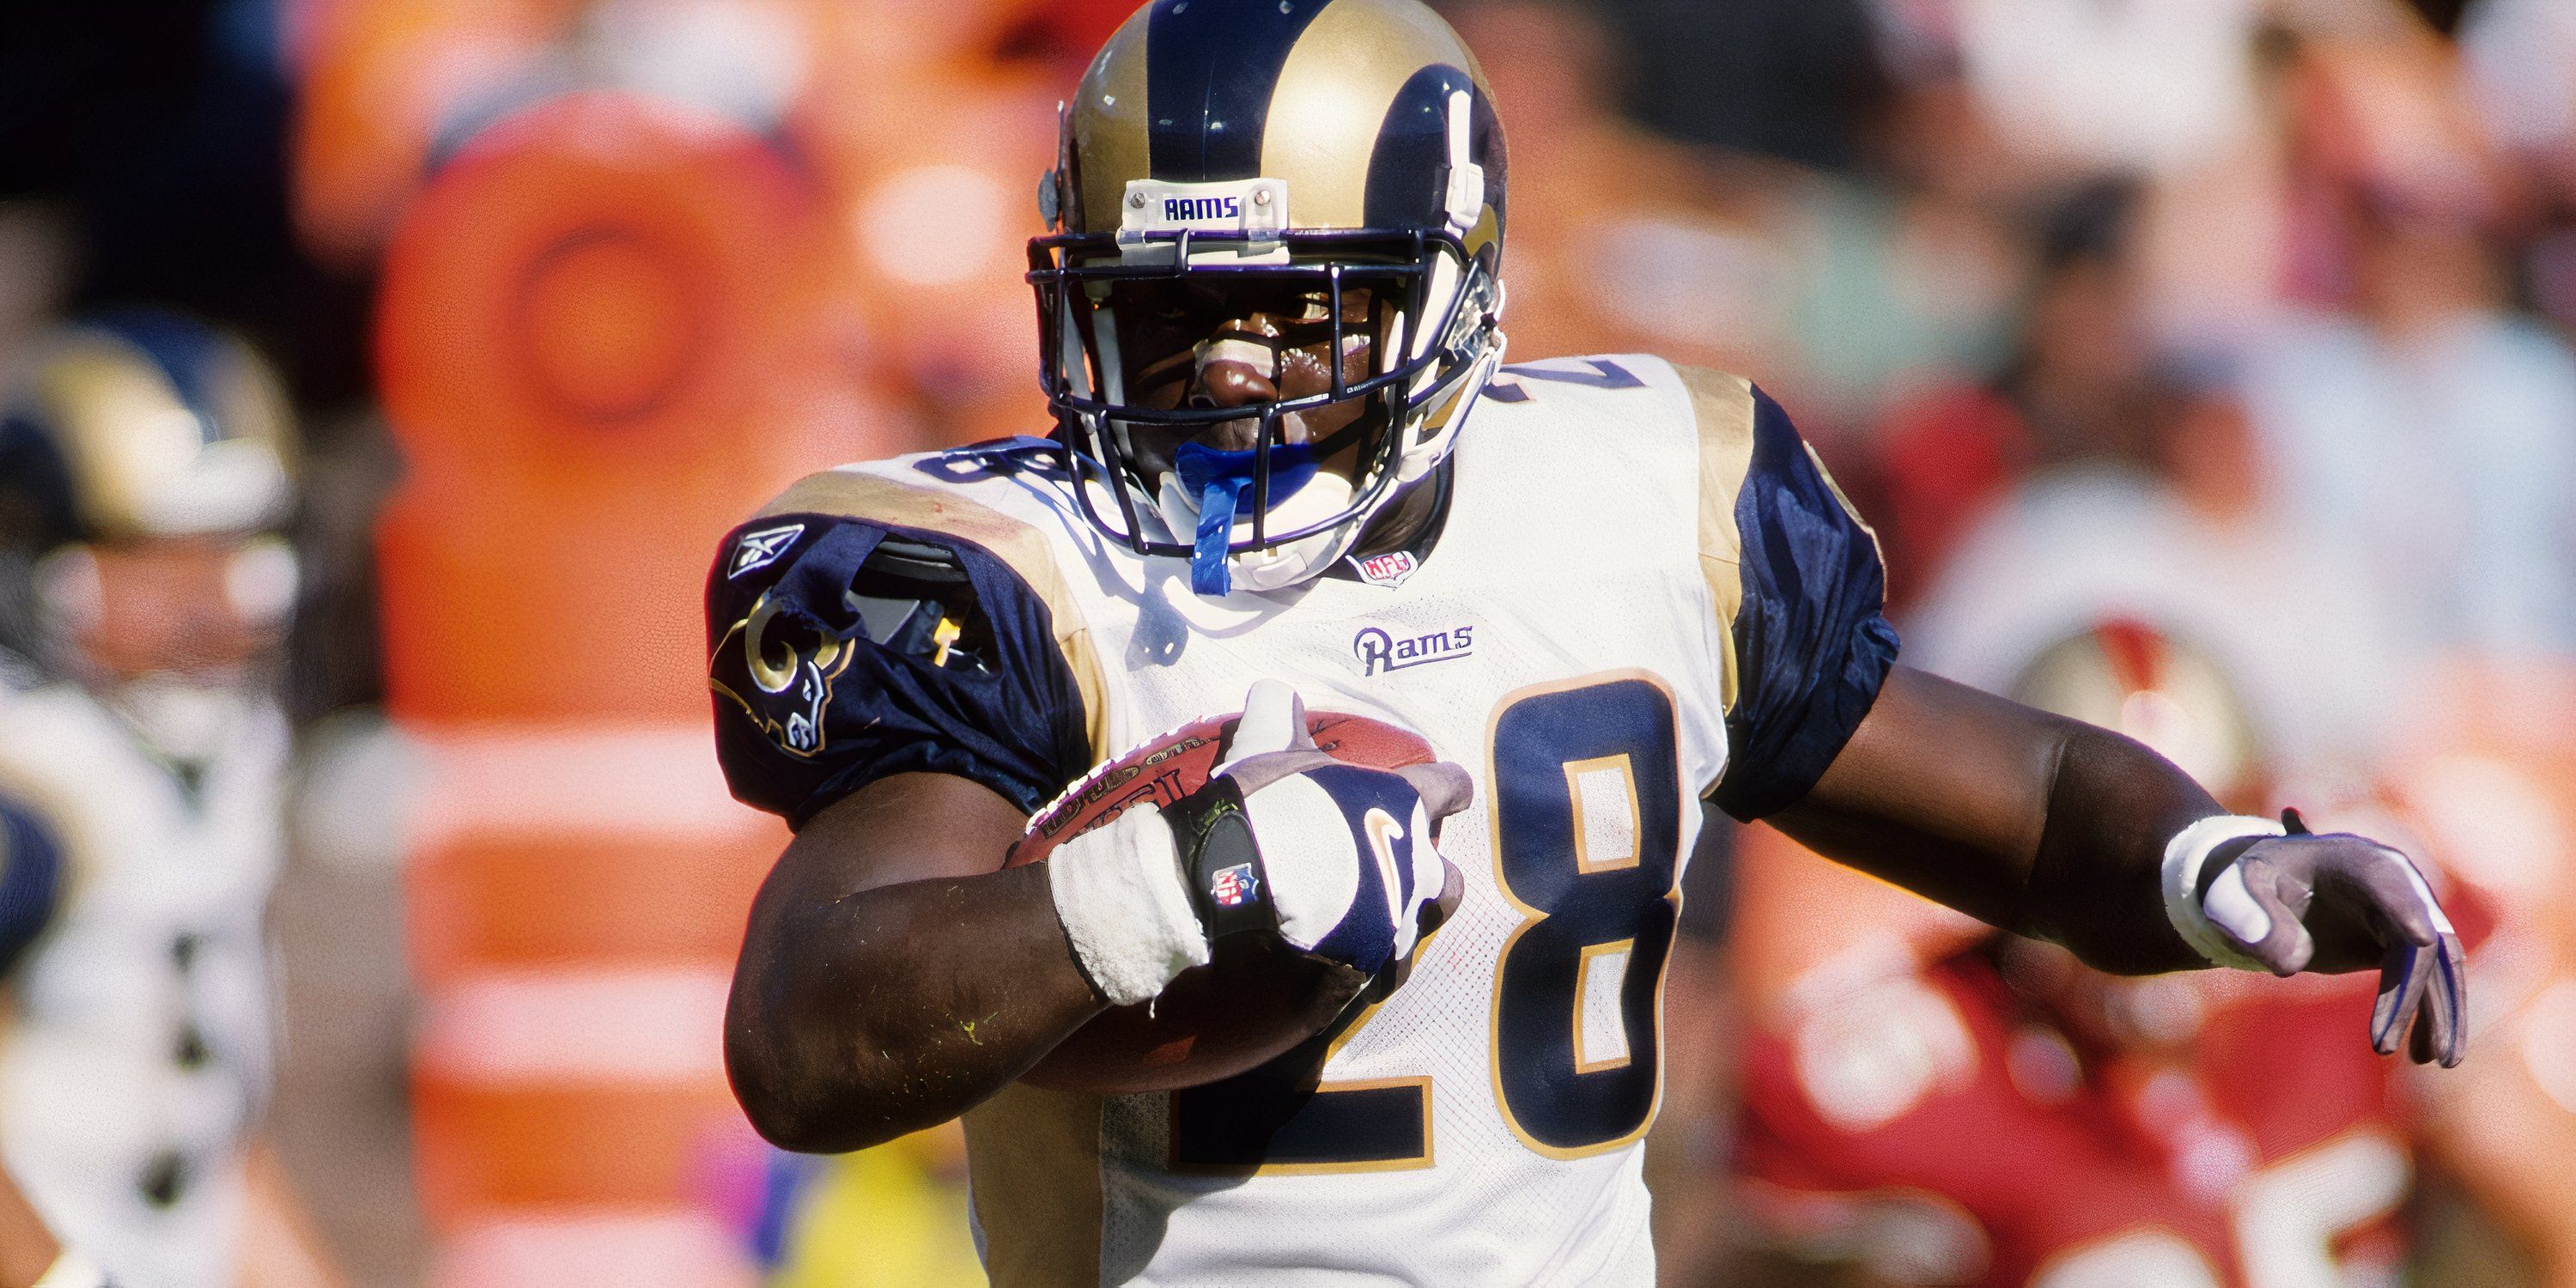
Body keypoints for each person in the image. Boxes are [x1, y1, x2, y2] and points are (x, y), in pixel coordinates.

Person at [709, 3, 2464, 1282]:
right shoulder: (1014, 570)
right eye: (1167, 314)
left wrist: (2207, 863)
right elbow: (809, 1034)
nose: (1229, 365)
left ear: (1454, 293)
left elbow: (2004, 788)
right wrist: (1180, 890)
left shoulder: (1644, 496)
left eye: (1290, 309)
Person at [0, 309, 336, 1287]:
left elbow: (211, 1157)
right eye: (154, 557)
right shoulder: (39, 782)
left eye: (231, 552)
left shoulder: (223, 765)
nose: (205, 602)